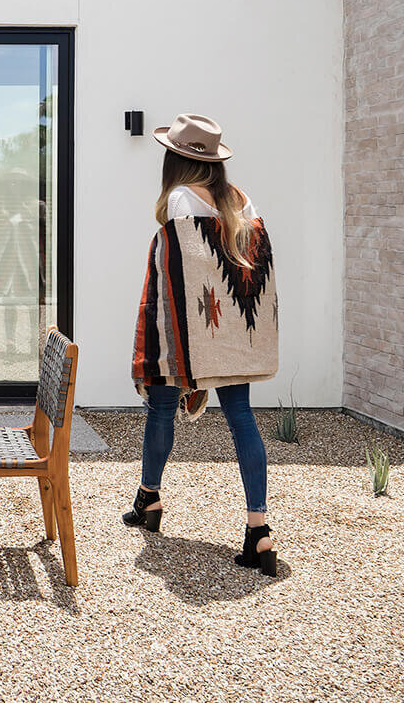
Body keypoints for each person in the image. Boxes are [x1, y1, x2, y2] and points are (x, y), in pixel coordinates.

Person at [124, 113, 278, 576]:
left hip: (190, 333)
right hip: (234, 333)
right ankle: (259, 531)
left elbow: (183, 267)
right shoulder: (242, 201)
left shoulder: (179, 198)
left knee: (161, 408)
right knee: (242, 419)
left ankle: (150, 500)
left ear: (175, 159)